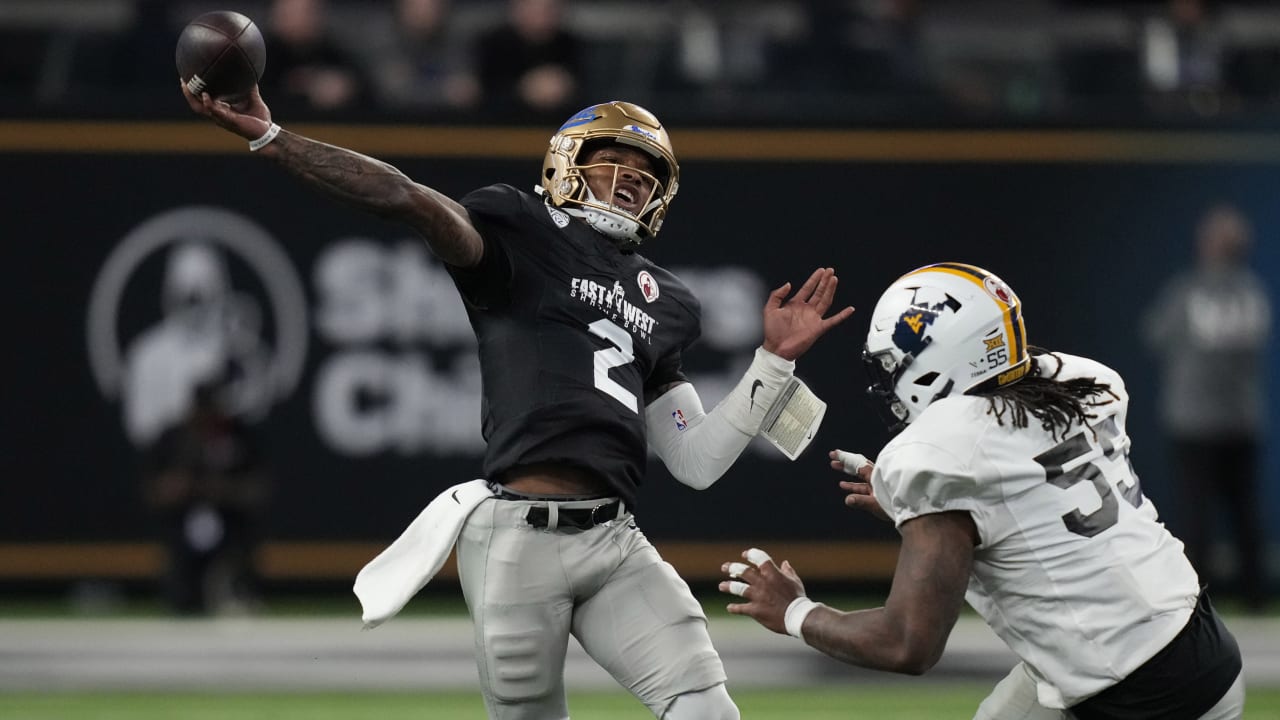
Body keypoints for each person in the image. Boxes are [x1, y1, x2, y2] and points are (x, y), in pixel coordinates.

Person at [181, 77, 854, 716]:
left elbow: (695, 462)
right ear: (567, 164)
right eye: (611, 162)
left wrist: (773, 362)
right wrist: (273, 136)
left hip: (616, 540)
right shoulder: (521, 229)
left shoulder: (667, 301)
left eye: (644, 175)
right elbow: (405, 197)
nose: (629, 182)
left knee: (707, 707)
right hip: (518, 537)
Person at [720, 262, 1245, 719]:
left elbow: (908, 644)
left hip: (1140, 693)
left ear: (937, 362)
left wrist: (795, 612)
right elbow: (1029, 498)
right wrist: (929, 515)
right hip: (1194, 635)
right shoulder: (1082, 380)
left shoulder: (939, 451)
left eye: (893, 366)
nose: (886, 384)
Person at [1143, 204, 1271, 613]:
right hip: (1240, 418)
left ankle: (1194, 598)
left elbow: (1155, 334)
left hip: (1194, 419)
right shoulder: (1253, 294)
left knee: (1195, 513)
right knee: (1244, 513)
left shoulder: (1188, 291)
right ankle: (1255, 596)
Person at [145, 381, 271, 615]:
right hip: (184, 522)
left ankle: (237, 591)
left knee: (238, 557)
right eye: (203, 409)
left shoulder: (239, 435)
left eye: (212, 409)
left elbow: (258, 488)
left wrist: (222, 489)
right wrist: (174, 488)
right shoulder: (174, 438)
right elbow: (153, 490)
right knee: (183, 600)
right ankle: (184, 595)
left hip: (229, 522)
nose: (208, 417)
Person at [474, 0, 583, 117]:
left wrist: (565, 87)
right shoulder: (492, 44)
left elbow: (590, 93)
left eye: (549, 8)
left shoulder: (572, 44)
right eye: (533, 7)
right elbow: (483, 95)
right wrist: (523, 90)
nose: (541, 15)